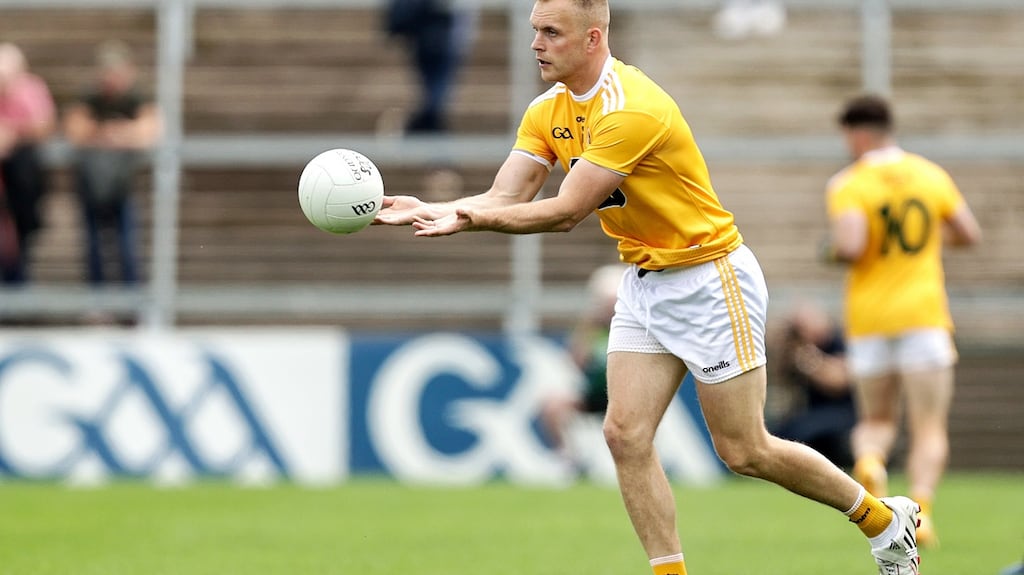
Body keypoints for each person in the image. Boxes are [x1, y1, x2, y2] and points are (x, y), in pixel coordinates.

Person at [374, 2, 922, 573]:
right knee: (623, 434)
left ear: (592, 38)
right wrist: (436, 206)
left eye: (550, 32)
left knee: (745, 450)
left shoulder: (632, 107)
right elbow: (505, 197)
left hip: (711, 277)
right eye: (534, 30)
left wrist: (466, 219)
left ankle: (884, 523)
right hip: (644, 281)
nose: (536, 43)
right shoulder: (547, 110)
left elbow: (564, 212)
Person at [825, 93, 982, 550]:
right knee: (929, 426)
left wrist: (829, 248)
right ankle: (923, 511)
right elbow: (967, 233)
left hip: (871, 318)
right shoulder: (930, 174)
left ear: (856, 133)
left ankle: (872, 460)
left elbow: (851, 245)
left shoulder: (849, 184)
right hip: (923, 314)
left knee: (876, 418)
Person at [63, 40, 161, 287]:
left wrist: (117, 133)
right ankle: (99, 304)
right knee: (94, 245)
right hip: (91, 183)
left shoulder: (136, 97)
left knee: (128, 245)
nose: (111, 77)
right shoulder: (90, 96)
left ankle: (131, 305)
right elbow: (75, 130)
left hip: (124, 184)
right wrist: (107, 133)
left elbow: (151, 129)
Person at [539, 263, 622, 473]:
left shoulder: (630, 328)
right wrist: (588, 330)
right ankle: (569, 459)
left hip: (623, 395)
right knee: (553, 407)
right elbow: (575, 361)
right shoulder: (591, 329)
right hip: (594, 393)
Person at [769, 301, 856, 469]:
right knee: (779, 434)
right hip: (812, 411)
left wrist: (809, 361)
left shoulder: (839, 341)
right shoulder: (798, 349)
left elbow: (838, 382)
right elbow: (780, 378)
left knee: (803, 432)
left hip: (843, 412)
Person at [0, 42, 56, 284]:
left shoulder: (32, 89)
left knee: (18, 236)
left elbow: (45, 126)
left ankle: (17, 295)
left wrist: (13, 132)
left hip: (21, 182)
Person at [384, 0, 477, 133]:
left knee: (435, 100)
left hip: (441, 38)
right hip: (432, 38)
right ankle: (423, 129)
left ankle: (421, 129)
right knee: (434, 97)